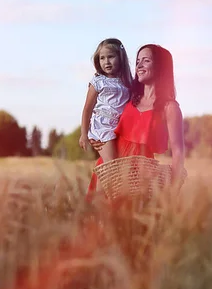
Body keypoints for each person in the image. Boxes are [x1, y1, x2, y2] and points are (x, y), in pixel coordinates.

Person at [84, 43, 185, 201]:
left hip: (140, 175)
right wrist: (95, 137)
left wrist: (174, 185)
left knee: (130, 220)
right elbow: (105, 115)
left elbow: (178, 150)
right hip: (111, 165)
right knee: (99, 217)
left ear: (160, 66)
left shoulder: (170, 107)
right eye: (138, 61)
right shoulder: (129, 97)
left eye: (146, 61)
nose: (139, 65)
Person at [78, 38, 133, 163]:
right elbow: (87, 109)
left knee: (120, 164)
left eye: (111, 57)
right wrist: (84, 134)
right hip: (103, 125)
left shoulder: (127, 82)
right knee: (112, 164)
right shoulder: (98, 81)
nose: (106, 62)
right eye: (102, 58)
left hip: (120, 126)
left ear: (120, 58)